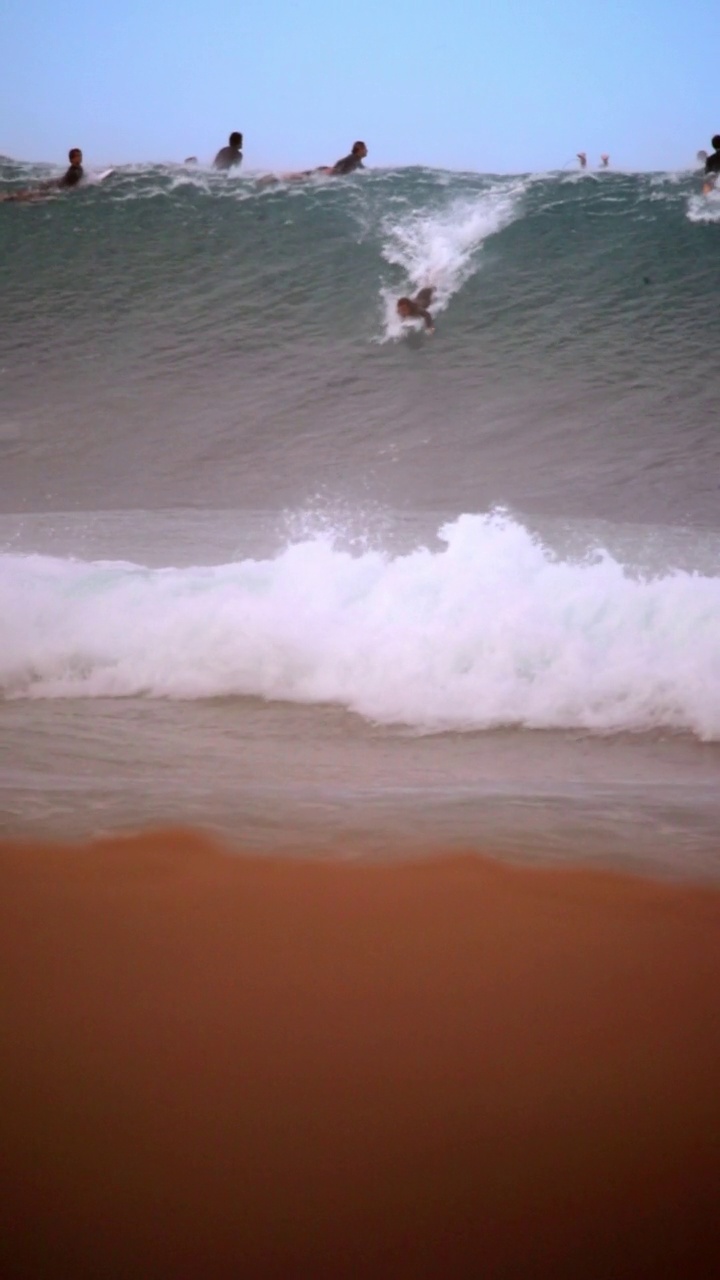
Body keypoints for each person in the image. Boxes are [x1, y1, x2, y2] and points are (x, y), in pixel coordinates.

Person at [0, 147, 84, 202]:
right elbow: (68, 183)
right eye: (77, 156)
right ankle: (6, 197)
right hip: (57, 185)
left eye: (80, 155)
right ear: (71, 159)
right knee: (33, 194)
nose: (80, 158)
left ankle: (7, 196)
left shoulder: (78, 169)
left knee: (32, 193)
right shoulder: (74, 171)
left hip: (57, 183)